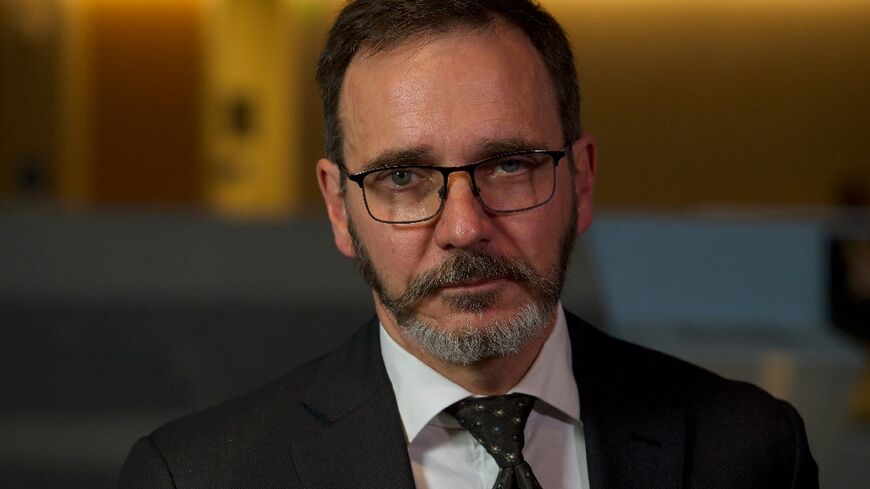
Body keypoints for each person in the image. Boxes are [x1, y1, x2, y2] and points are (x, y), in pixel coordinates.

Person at [119, 1, 818, 488]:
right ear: (339, 207)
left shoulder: (751, 451)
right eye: (403, 176)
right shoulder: (201, 475)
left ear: (581, 178)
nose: (463, 226)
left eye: (509, 164)